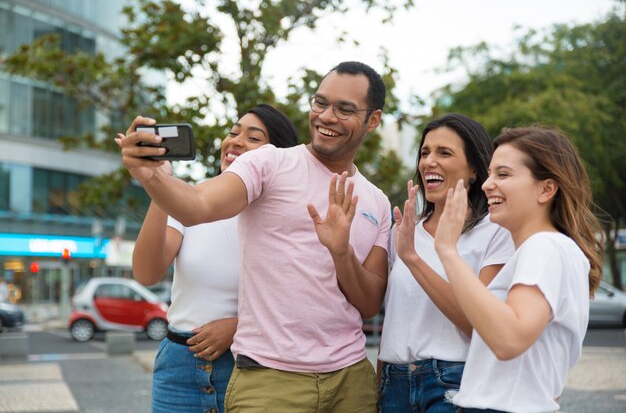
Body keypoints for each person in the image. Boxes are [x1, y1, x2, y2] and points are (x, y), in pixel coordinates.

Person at [118, 61, 392, 413]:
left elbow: (369, 304)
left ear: (373, 120)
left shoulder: (377, 202)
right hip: (268, 379)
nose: (326, 116)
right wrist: (153, 178)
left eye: (344, 109)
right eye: (320, 103)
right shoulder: (269, 163)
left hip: (351, 377)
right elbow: (197, 205)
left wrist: (341, 252)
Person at [118, 104, 298, 413]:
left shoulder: (287, 216)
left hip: (250, 367)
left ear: (278, 156)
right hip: (180, 365)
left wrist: (239, 326)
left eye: (253, 138)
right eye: (233, 132)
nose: (235, 141)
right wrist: (159, 183)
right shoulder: (192, 200)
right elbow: (147, 273)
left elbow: (302, 299)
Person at [434, 126, 604, 412]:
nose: (487, 184)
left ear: (547, 189)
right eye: (489, 174)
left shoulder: (545, 247)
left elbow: (509, 339)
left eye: (503, 174)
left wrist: (448, 252)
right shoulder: (549, 249)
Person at [378, 113, 515, 413]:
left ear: (475, 171)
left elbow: (478, 326)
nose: (429, 162)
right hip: (394, 382)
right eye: (425, 152)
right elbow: (395, 321)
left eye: (444, 153)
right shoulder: (403, 232)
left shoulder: (495, 231)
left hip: (453, 381)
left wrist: (413, 259)